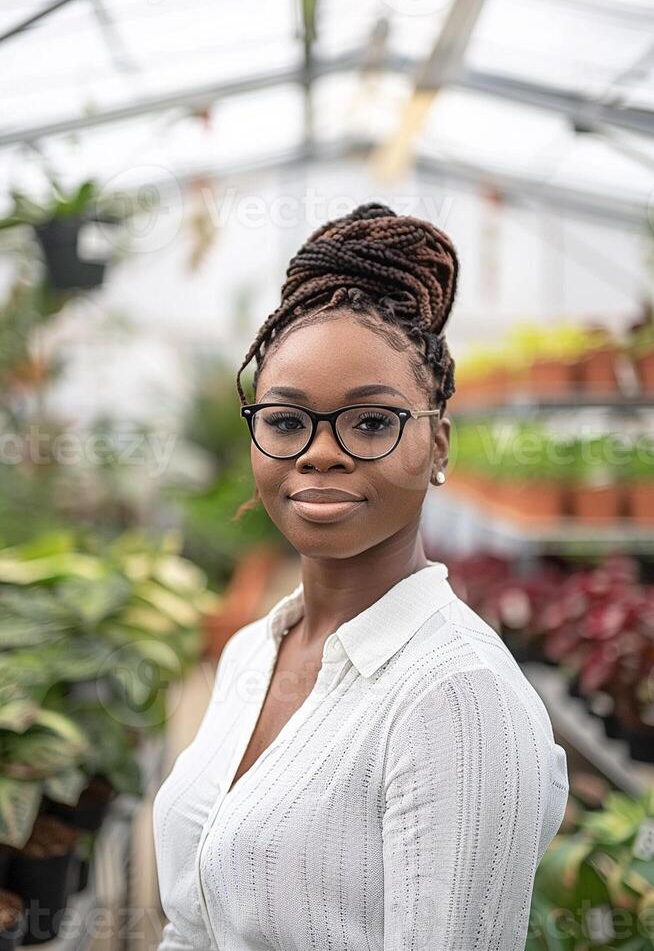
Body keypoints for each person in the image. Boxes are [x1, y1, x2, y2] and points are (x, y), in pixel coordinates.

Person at [152, 201, 569, 950]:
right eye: (285, 421)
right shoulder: (253, 651)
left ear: (438, 443)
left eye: (371, 422)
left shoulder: (456, 697)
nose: (319, 452)